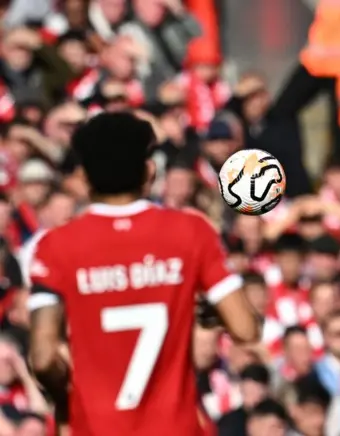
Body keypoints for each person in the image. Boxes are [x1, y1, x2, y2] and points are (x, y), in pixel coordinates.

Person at [26, 112, 261, 436]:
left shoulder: (55, 247)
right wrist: (207, 316)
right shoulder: (191, 232)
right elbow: (247, 329)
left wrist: (64, 401)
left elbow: (42, 357)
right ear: (149, 170)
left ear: (83, 176)